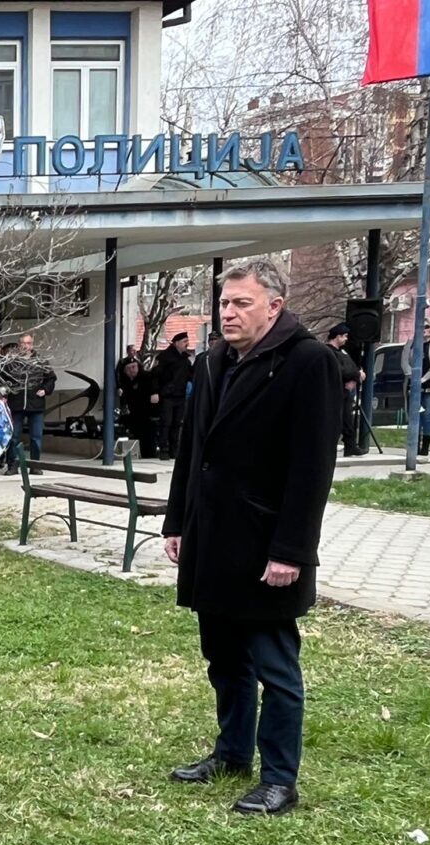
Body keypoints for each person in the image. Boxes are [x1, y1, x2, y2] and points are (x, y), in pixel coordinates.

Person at [161, 259, 341, 817]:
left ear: (274, 306)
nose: (229, 313)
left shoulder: (309, 362)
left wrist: (291, 550)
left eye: (242, 303)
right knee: (223, 658)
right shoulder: (214, 359)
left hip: (265, 543)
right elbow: (192, 449)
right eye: (224, 303)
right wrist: (177, 522)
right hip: (212, 536)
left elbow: (312, 467)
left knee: (274, 666)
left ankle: (280, 778)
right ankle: (232, 753)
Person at [399, 316, 430, 457]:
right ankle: (414, 445)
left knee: (427, 416)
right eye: (421, 326)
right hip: (414, 386)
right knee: (415, 416)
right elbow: (404, 362)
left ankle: (425, 446)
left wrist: (424, 378)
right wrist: (413, 377)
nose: (423, 330)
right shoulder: (411, 343)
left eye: (426, 327)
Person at [5, 332, 56, 472]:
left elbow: (51, 378)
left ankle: (35, 466)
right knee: (14, 437)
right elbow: (4, 378)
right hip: (16, 404)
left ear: (32, 344)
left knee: (36, 437)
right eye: (23, 343)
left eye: (28, 343)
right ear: (19, 344)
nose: (25, 346)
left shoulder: (40, 361)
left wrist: (45, 390)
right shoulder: (12, 362)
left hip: (36, 404)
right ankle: (12, 465)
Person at [325, 322, 368, 457]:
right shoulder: (329, 352)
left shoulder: (342, 351)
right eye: (344, 336)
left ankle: (350, 446)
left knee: (347, 420)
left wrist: (355, 376)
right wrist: (356, 375)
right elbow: (340, 370)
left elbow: (350, 367)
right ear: (337, 336)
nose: (346, 339)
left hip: (345, 391)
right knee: (336, 421)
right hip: (335, 391)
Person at [154, 331, 193, 461]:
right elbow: (155, 376)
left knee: (177, 423)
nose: (187, 344)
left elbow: (190, 376)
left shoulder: (185, 360)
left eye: (187, 341)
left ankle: (174, 449)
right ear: (176, 343)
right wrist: (155, 392)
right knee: (166, 422)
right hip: (167, 395)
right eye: (184, 342)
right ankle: (163, 449)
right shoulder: (164, 357)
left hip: (180, 395)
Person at [117, 354, 157, 459]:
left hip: (147, 414)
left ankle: (149, 456)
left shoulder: (146, 377)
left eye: (134, 367)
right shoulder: (125, 382)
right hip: (134, 414)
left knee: (147, 437)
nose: (132, 370)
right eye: (129, 368)